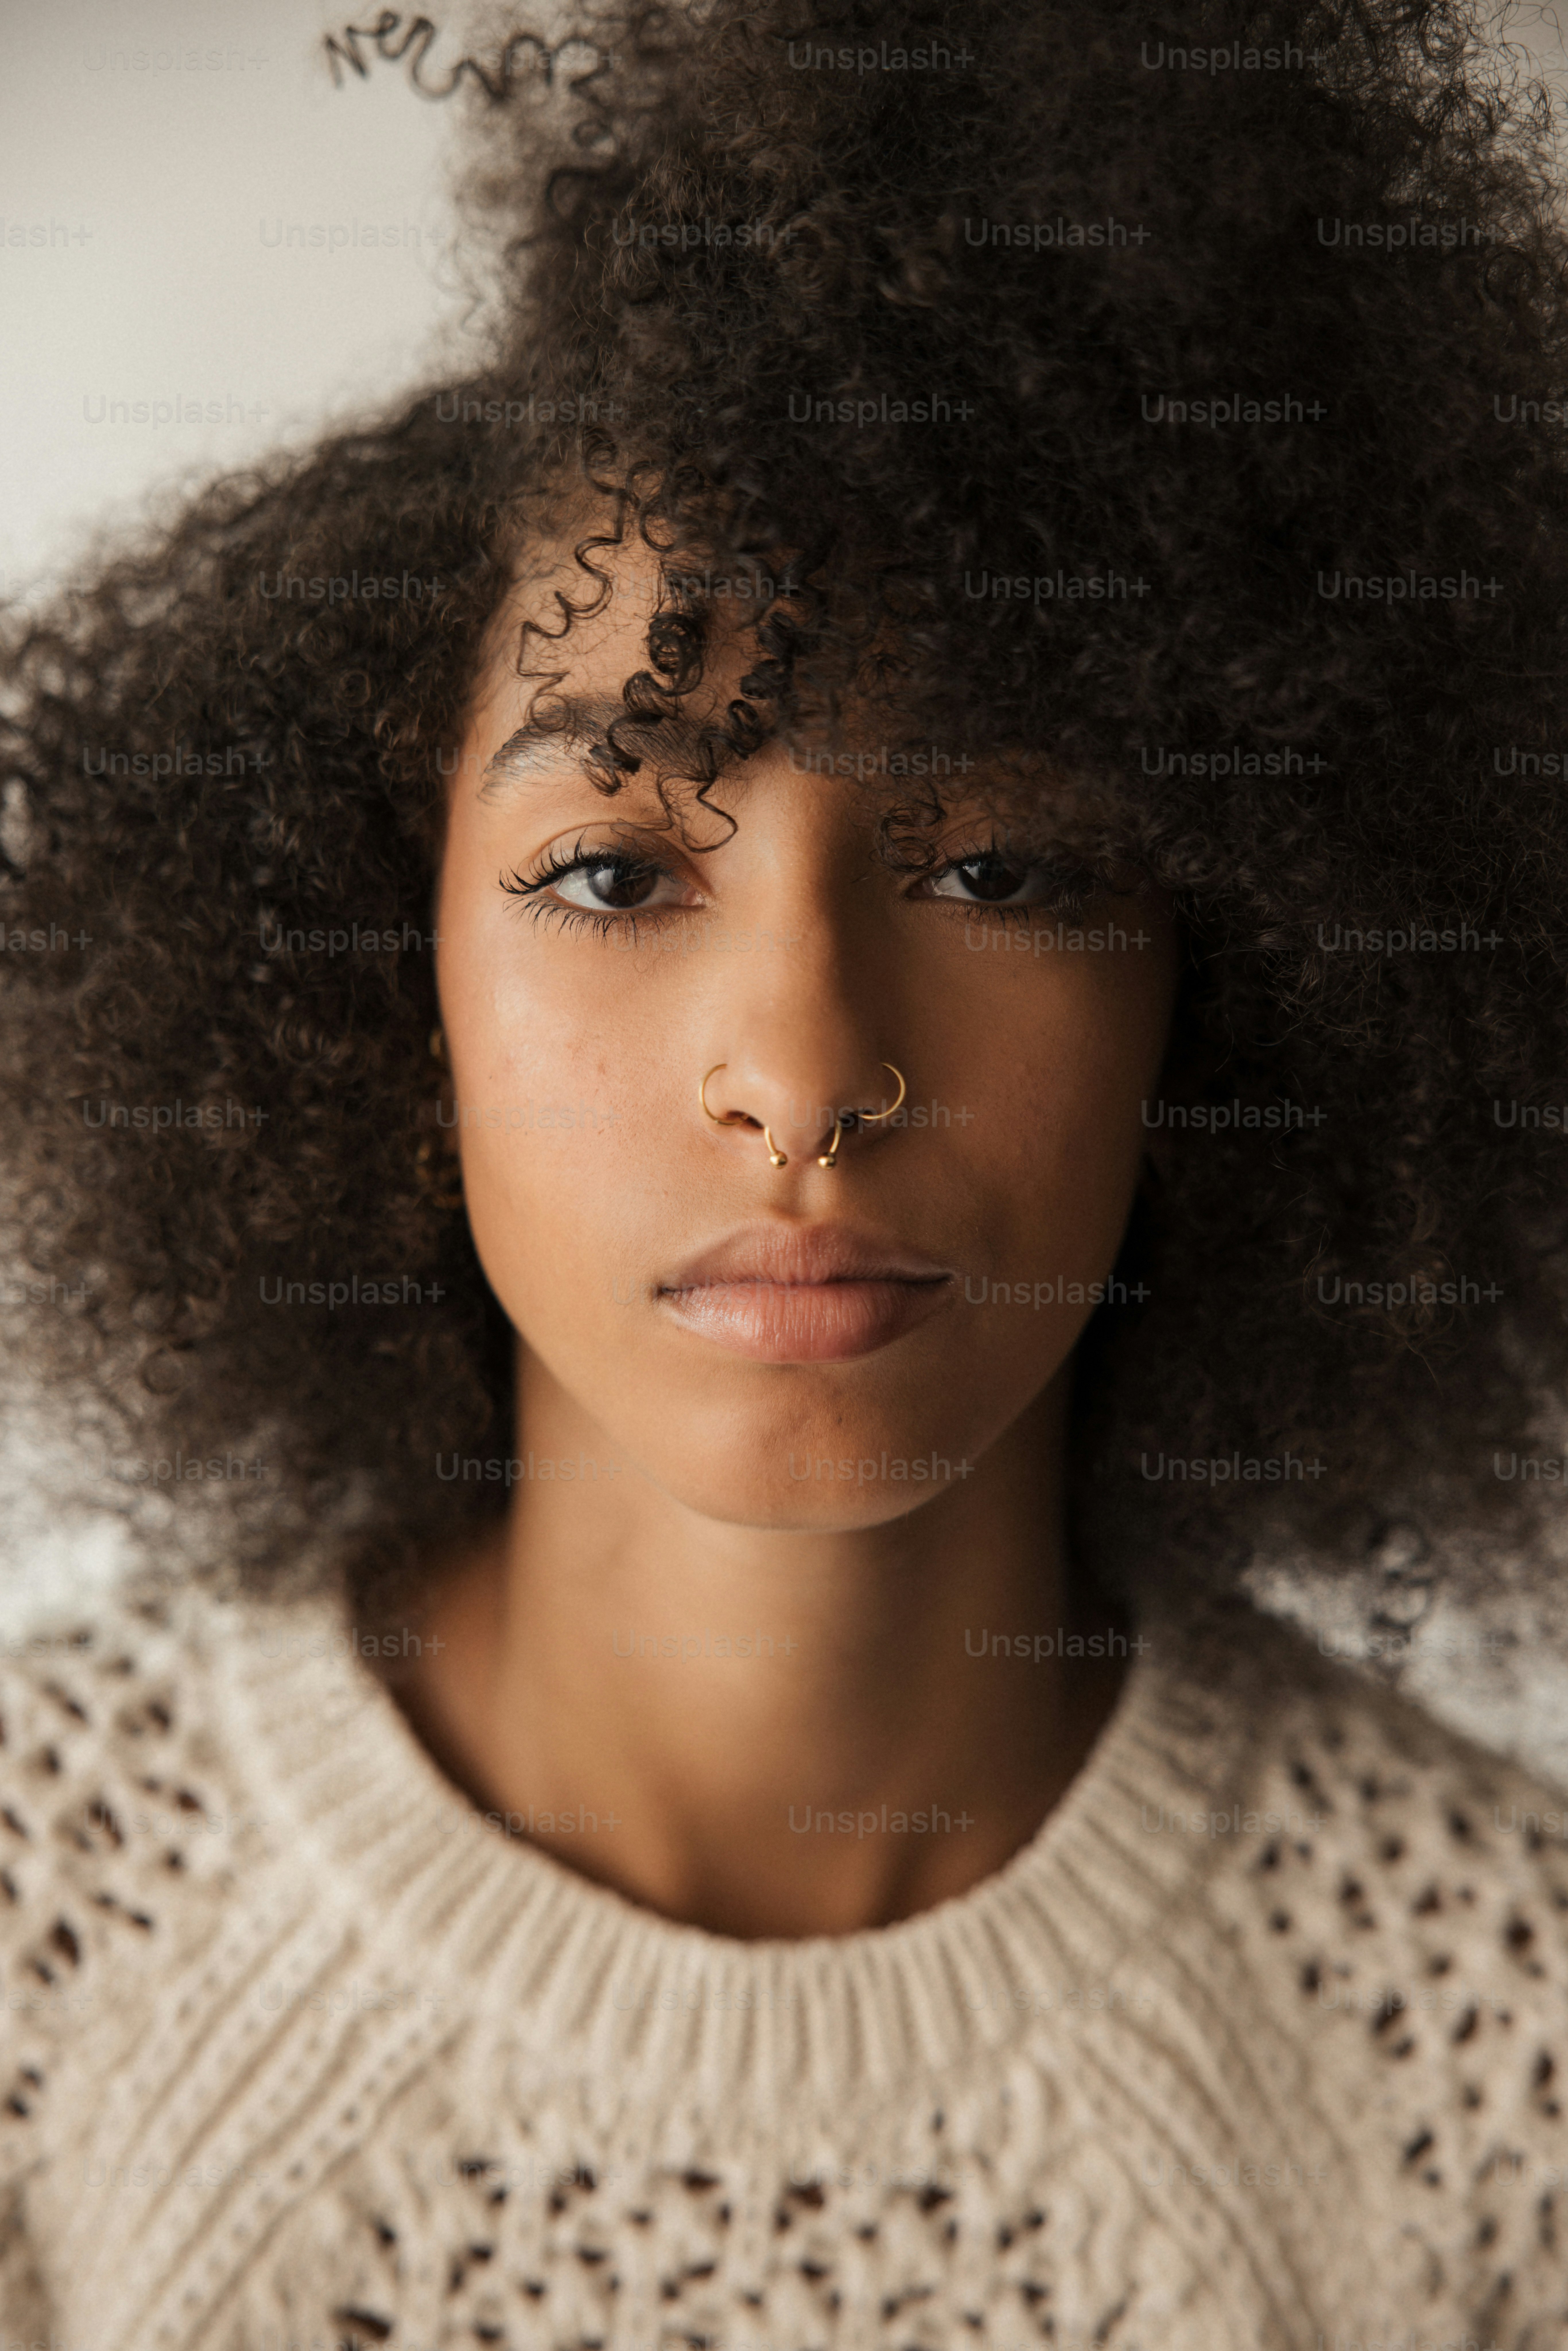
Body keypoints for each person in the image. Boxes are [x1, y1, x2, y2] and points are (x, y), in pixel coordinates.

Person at [3, 1, 1568, 2344]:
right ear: (357, 967)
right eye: (617, 876)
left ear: (1241, 978)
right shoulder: (46, 1943)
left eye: (1009, 864)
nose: (812, 1075)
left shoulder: (1502, 2056)